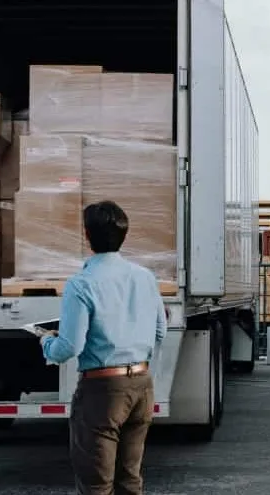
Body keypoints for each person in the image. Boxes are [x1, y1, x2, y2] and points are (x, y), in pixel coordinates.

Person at [39, 200, 167, 495]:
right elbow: (160, 330)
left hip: (103, 390)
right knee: (130, 480)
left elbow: (69, 347)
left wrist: (46, 342)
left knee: (97, 484)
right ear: (124, 234)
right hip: (142, 384)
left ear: (86, 235)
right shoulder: (145, 278)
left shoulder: (81, 283)